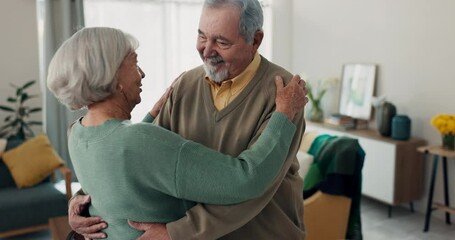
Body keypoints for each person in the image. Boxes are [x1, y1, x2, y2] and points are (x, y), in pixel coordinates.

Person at [69, 0, 307, 239]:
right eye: (202, 36)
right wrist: (85, 200)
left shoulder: (286, 96)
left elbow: (255, 188)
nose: (207, 50)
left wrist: (177, 232)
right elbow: (141, 160)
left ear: (255, 40)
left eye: (221, 42)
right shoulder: (185, 85)